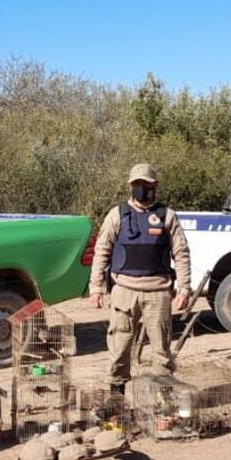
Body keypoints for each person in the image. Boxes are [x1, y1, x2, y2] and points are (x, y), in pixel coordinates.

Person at [89, 163, 192, 396]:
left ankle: (163, 398)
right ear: (131, 186)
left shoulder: (167, 216)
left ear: (154, 186)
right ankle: (117, 396)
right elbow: (102, 251)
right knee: (119, 346)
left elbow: (182, 253)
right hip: (124, 290)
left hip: (158, 292)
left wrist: (184, 288)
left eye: (146, 184)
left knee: (161, 351)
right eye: (137, 184)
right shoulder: (117, 214)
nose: (142, 188)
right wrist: (96, 287)